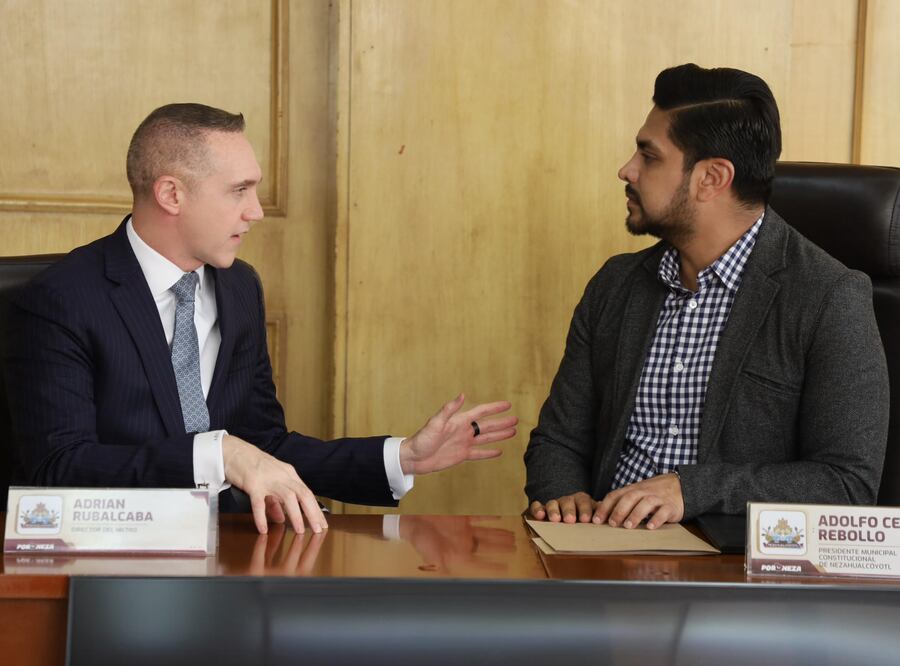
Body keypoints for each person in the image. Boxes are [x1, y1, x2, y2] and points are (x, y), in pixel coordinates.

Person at [4, 103, 517, 535]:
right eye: (238, 190)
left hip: (239, 550)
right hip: (117, 563)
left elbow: (264, 444)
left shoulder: (239, 287)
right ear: (171, 194)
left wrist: (402, 457)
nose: (256, 212)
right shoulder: (62, 298)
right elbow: (60, 468)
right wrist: (217, 455)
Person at [525, 63, 889, 530]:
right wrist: (564, 497)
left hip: (733, 578)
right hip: (602, 561)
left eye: (649, 157)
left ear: (712, 177)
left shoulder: (828, 298)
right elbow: (558, 440)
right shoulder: (615, 284)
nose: (627, 170)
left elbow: (846, 484)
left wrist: (689, 489)